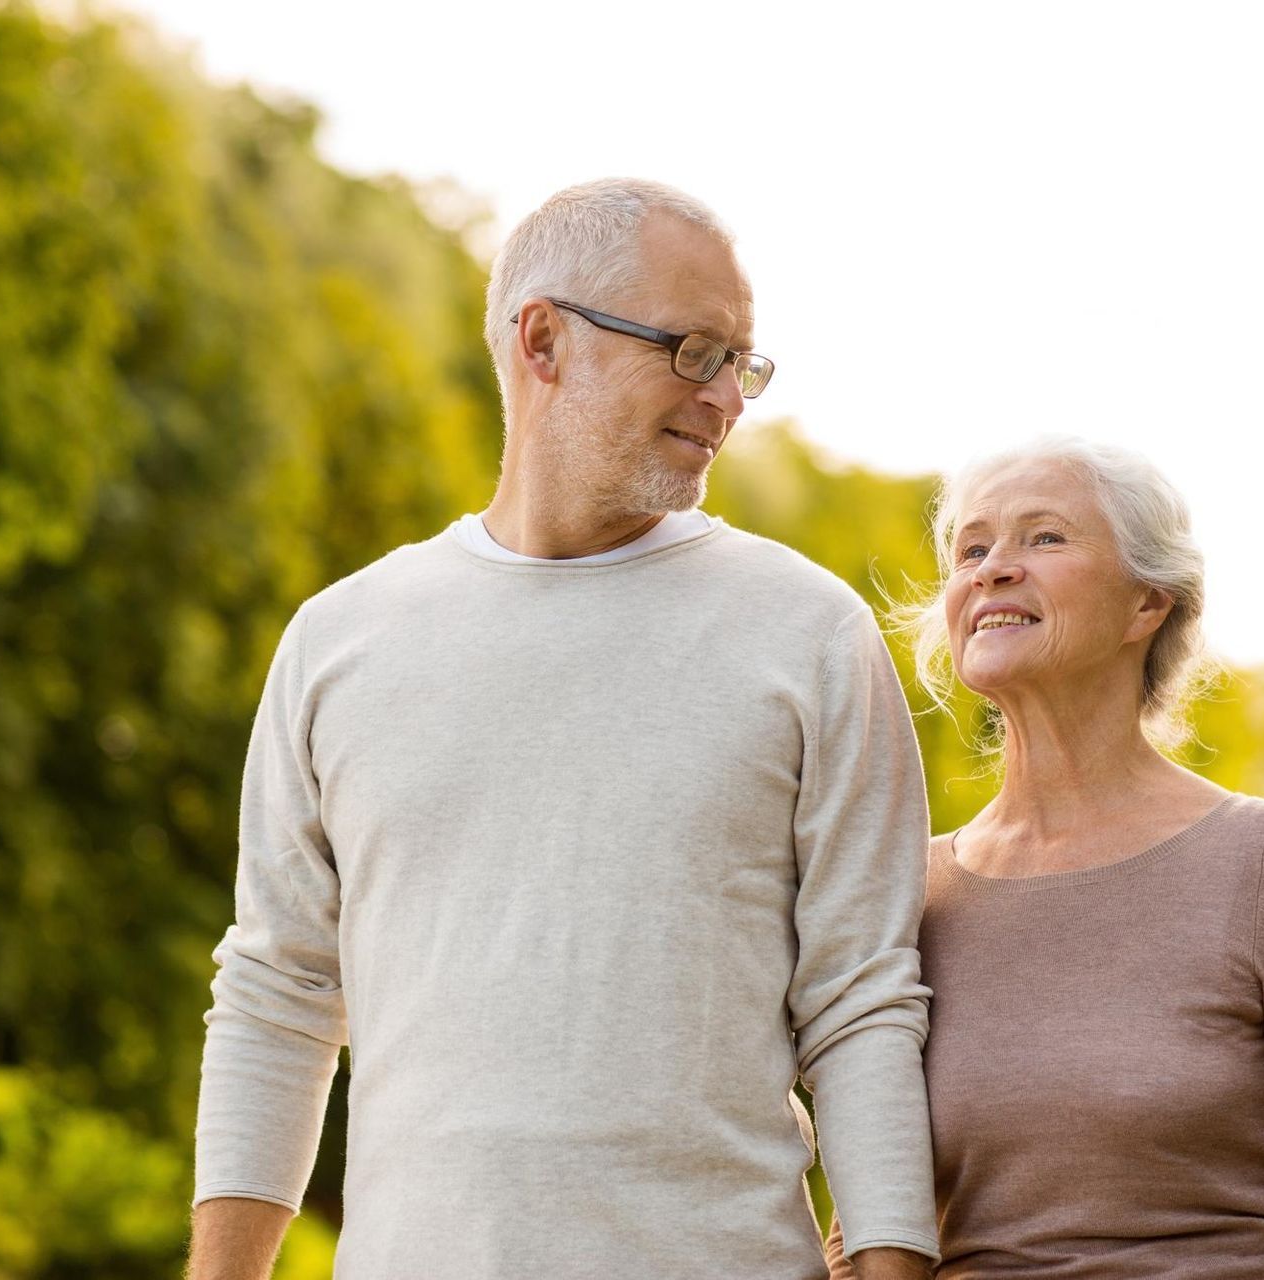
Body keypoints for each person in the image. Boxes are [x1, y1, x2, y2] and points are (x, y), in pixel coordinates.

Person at [186, 178, 939, 1280]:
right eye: (694, 351)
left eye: (744, 361)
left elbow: (862, 1002)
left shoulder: (810, 632)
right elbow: (278, 993)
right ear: (544, 340)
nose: (728, 397)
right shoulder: (338, 640)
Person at [825, 439, 1264, 1278]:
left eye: (1043, 538)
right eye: (972, 548)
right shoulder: (908, 892)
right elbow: (868, 1210)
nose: (993, 569)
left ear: (1148, 602)